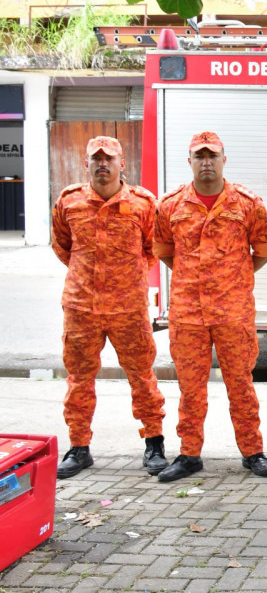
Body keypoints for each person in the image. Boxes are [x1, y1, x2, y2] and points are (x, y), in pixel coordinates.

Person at [152, 131, 267, 482]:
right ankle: (189, 455)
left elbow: (265, 249)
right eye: (199, 156)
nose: (206, 162)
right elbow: (163, 251)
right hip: (188, 313)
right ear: (189, 162)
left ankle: (252, 451)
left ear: (224, 160)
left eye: (213, 156)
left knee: (241, 384)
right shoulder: (170, 205)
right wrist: (194, 277)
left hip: (233, 311)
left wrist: (235, 276)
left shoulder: (247, 203)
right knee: (190, 388)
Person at [51, 136, 168, 479]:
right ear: (86, 164)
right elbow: (63, 247)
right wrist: (88, 277)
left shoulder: (144, 203)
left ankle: (154, 444)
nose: (103, 164)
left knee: (142, 377)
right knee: (79, 380)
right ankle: (79, 447)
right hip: (81, 306)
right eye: (95, 159)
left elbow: (154, 248)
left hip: (128, 307)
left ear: (122, 165)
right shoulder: (69, 201)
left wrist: (124, 277)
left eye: (109, 159)